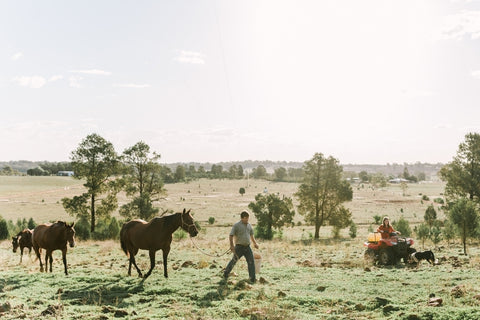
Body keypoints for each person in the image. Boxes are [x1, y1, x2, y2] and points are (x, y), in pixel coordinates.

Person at [223, 210, 259, 283]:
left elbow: (251, 235)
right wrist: (232, 245)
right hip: (239, 247)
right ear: (242, 218)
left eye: (248, 218)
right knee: (234, 261)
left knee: (251, 262)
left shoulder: (249, 225)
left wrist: (255, 243)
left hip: (247, 247)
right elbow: (231, 235)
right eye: (246, 218)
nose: (247, 220)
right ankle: (226, 273)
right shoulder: (236, 225)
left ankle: (252, 278)